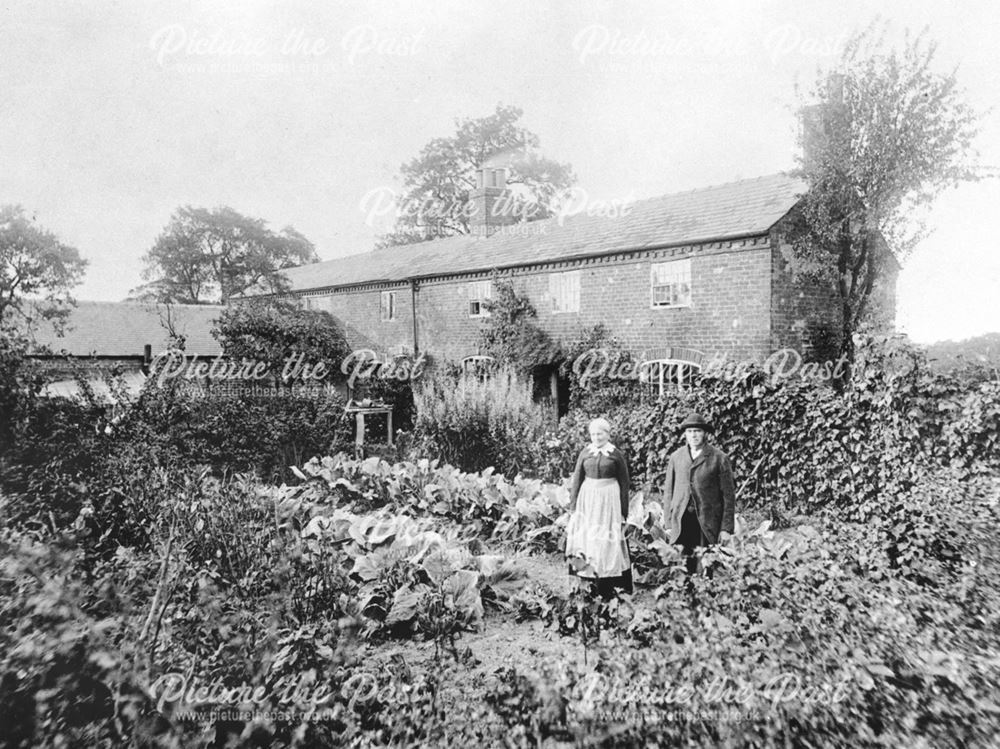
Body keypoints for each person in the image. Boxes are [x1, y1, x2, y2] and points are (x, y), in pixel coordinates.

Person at [564, 417, 633, 598]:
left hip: (609, 499)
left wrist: (624, 511)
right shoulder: (585, 453)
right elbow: (577, 479)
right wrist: (573, 508)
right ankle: (587, 580)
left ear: (607, 434)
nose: (597, 437)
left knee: (606, 536)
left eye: (600, 434)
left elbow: (625, 484)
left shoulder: (616, 454)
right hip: (588, 499)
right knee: (589, 536)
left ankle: (609, 582)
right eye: (593, 434)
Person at [662, 412, 736, 574]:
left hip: (706, 519)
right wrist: (668, 522)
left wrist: (726, 528)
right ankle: (684, 596)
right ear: (685, 435)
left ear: (705, 433)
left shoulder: (719, 458)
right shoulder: (676, 457)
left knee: (704, 564)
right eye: (689, 431)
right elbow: (668, 492)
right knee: (682, 563)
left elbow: (728, 497)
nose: (693, 435)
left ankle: (704, 595)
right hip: (682, 519)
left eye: (697, 431)